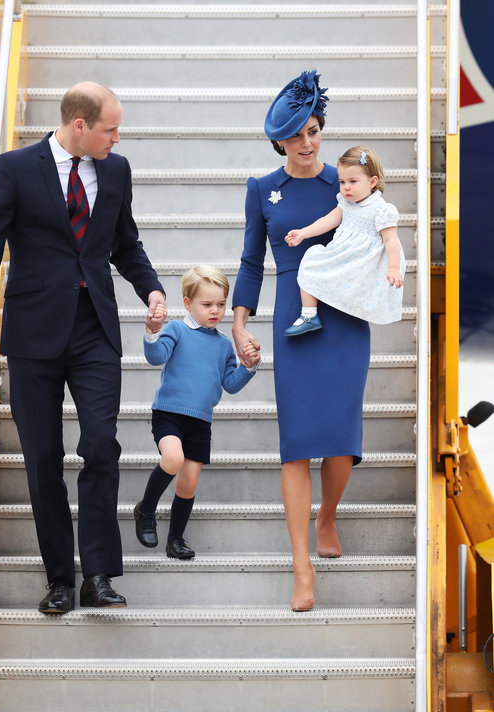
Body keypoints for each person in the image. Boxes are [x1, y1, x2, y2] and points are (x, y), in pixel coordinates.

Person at [0, 82, 166, 613]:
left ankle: (98, 574)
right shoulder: (14, 168)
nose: (117, 138)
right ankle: (59, 579)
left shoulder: (115, 171)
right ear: (79, 125)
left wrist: (153, 289)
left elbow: (125, 242)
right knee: (42, 457)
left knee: (100, 444)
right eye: (109, 129)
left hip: (94, 327)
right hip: (33, 334)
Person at [232, 70, 371, 612]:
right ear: (280, 141)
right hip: (294, 316)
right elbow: (250, 261)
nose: (309, 143)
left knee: (341, 442)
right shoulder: (262, 190)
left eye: (315, 131)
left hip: (345, 315)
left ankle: (328, 515)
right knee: (296, 449)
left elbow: (377, 233)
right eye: (297, 136)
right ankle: (301, 565)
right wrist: (241, 321)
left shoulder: (347, 181)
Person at [134, 265, 260, 559]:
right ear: (188, 303)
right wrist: (153, 331)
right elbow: (156, 357)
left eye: (220, 304)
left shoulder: (224, 345)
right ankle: (146, 510)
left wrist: (249, 365)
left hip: (200, 422)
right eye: (207, 304)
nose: (215, 310)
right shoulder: (177, 329)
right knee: (173, 458)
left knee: (188, 482)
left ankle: (175, 538)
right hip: (169, 414)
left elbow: (230, 384)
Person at [284, 145, 405, 336]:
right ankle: (309, 315)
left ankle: (346, 308)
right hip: (343, 255)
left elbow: (391, 241)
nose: (346, 187)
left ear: (372, 181)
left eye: (353, 181)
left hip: (363, 262)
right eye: (342, 181)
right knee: (311, 259)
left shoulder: (380, 209)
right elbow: (328, 220)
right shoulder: (346, 202)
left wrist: (393, 268)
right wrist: (303, 233)